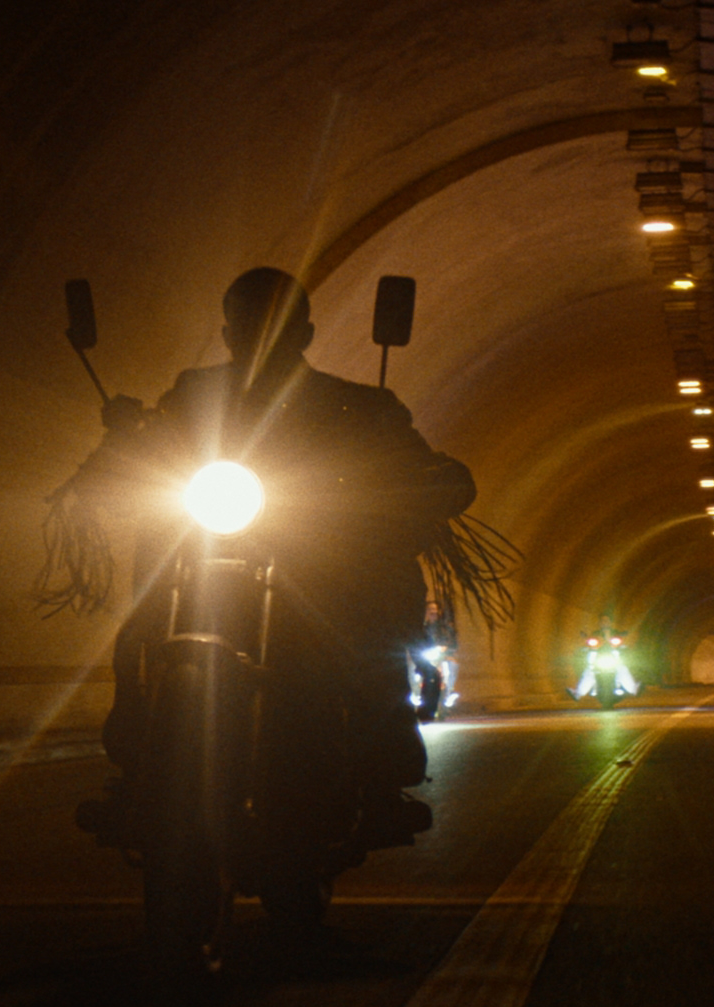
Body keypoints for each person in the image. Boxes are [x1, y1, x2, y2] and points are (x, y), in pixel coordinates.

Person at [57, 268, 478, 845]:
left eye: (273, 326)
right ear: (228, 333)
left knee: (377, 622)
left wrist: (425, 478)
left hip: (321, 571)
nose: (257, 338)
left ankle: (383, 772)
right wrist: (125, 443)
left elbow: (415, 461)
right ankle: (136, 766)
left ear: (304, 334)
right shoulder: (190, 396)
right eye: (246, 325)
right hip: (207, 558)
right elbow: (156, 446)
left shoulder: (359, 406)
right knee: (145, 625)